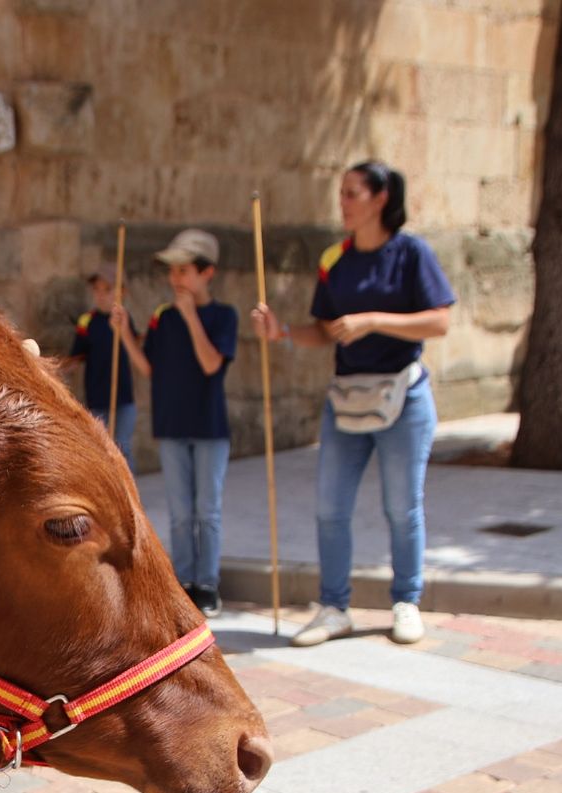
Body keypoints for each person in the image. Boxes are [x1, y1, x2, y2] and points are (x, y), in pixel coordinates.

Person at [252, 161, 456, 647]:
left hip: (403, 397)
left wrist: (373, 320)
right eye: (340, 193)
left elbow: (440, 321)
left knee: (402, 507)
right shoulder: (334, 261)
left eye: (352, 193)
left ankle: (406, 601)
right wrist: (280, 332)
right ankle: (333, 607)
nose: (342, 202)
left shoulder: (411, 253)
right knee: (330, 507)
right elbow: (324, 331)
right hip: (346, 399)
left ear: (381, 198)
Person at [111, 228, 237, 617]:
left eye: (184, 271)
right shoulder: (162, 318)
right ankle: (184, 582)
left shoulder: (222, 316)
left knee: (207, 510)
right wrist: (125, 334)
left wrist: (191, 317)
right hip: (171, 423)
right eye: (173, 272)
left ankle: (208, 583)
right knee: (181, 511)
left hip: (209, 427)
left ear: (206, 273)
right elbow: (150, 368)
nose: (175, 279)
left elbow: (211, 364)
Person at [68, 264, 137, 471]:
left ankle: (127, 495)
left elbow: (134, 346)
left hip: (122, 398)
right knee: (100, 451)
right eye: (97, 289)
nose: (101, 295)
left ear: (121, 292)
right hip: (97, 397)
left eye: (107, 289)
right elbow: (76, 356)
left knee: (122, 447)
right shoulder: (86, 321)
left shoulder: (123, 319)